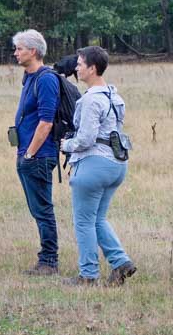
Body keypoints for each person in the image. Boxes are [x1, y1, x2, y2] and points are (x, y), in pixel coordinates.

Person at [59, 46, 137, 287]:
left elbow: (86, 138)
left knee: (83, 221)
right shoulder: (114, 95)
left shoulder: (91, 99)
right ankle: (120, 262)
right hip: (116, 165)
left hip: (94, 165)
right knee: (98, 218)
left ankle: (88, 275)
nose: (76, 67)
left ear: (92, 69)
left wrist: (67, 144)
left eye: (80, 64)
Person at [12, 29, 62, 276]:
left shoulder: (45, 79)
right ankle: (47, 258)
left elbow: (46, 122)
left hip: (39, 156)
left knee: (43, 209)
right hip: (28, 154)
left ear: (33, 51)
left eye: (19, 48)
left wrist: (30, 154)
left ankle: (49, 261)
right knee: (37, 209)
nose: (16, 53)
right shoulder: (28, 77)